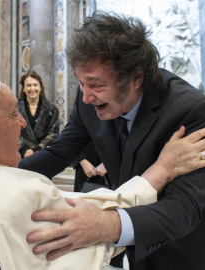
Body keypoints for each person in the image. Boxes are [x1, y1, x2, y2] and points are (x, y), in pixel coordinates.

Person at [0, 75, 204, 270]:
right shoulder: (19, 191)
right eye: (12, 113)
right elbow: (96, 221)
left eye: (95, 84)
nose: (20, 122)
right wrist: (163, 168)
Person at [18, 12, 205, 270]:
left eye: (94, 85)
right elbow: (58, 153)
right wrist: (0, 176)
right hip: (130, 252)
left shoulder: (189, 110)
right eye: (80, 83)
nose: (85, 97)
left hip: (179, 251)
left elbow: (184, 207)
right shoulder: (88, 100)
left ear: (135, 79)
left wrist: (105, 224)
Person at [18, 70, 60, 158]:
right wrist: (24, 150)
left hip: (44, 156)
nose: (32, 89)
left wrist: (36, 150)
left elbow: (53, 134)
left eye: (35, 85)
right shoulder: (14, 109)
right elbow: (12, 132)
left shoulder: (52, 109)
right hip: (20, 155)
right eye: (29, 85)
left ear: (40, 87)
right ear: (24, 88)